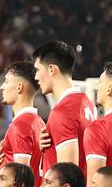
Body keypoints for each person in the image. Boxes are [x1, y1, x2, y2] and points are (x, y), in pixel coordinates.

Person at [33, 41, 96, 171]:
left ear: (51, 69)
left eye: (38, 70)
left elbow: (67, 176)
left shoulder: (63, 111)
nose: (36, 76)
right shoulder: (87, 102)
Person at [0, 62, 46, 175]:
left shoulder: (21, 125)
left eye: (7, 81)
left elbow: (21, 179)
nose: (2, 86)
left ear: (19, 87)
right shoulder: (40, 123)